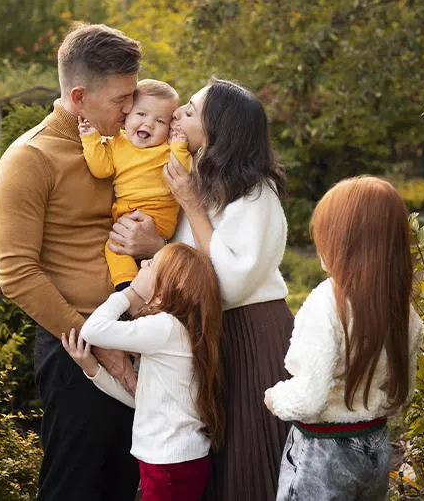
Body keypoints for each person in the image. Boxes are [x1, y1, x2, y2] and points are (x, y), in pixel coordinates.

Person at [107, 79, 294, 500]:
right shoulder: (195, 178)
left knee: (248, 462)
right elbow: (189, 257)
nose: (176, 114)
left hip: (251, 336)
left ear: (216, 131)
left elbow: (227, 282)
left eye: (190, 111)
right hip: (210, 336)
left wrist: (178, 221)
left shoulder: (255, 195)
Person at [0, 23, 142, 500]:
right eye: (121, 98)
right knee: (73, 488)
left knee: (126, 486)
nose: (130, 108)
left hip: (138, 340)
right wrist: (99, 345)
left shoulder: (125, 146)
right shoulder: (29, 158)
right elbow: (17, 275)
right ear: (79, 97)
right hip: (76, 350)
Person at [264, 176, 424, 501]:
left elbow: (310, 399)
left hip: (323, 451)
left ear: (345, 243)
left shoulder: (328, 302)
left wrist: (276, 397)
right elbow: (401, 393)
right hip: (375, 444)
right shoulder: (403, 310)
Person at [61, 243, 223, 501]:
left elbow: (93, 330)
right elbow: (141, 401)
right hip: (172, 462)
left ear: (161, 292)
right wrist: (93, 369)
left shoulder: (164, 328)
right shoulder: (179, 331)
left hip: (168, 465)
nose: (143, 264)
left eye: (151, 264)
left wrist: (129, 292)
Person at [80, 78, 192, 291]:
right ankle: (127, 286)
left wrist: (179, 146)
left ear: (169, 127)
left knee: (117, 245)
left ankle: (133, 288)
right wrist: (90, 139)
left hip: (159, 216)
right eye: (141, 114)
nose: (148, 124)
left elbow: (183, 170)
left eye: (160, 121)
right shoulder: (116, 143)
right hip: (126, 215)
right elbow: (101, 169)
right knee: (114, 247)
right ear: (126, 117)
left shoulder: (167, 148)